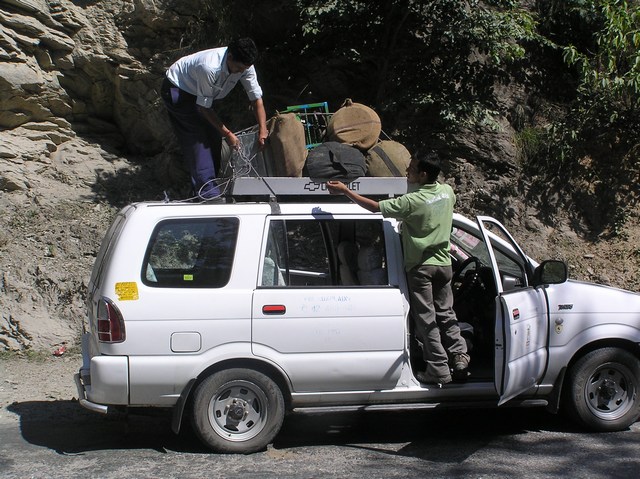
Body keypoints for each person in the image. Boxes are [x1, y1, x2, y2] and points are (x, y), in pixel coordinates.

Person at [326, 152, 470, 386]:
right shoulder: (447, 192)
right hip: (444, 265)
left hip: (421, 268)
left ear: (423, 174)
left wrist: (345, 191)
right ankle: (460, 356)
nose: (406, 172)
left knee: (426, 318)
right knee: (446, 313)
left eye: (411, 169)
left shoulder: (411, 202)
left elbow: (374, 208)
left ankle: (439, 369)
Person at [161, 37, 268, 199]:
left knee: (213, 137)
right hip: (178, 90)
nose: (240, 72)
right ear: (230, 57)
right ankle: (208, 194)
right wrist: (229, 134)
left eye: (244, 69)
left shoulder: (245, 66)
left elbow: (256, 99)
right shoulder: (209, 67)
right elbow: (204, 107)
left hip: (201, 96)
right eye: (238, 68)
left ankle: (208, 186)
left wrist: (263, 129)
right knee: (198, 141)